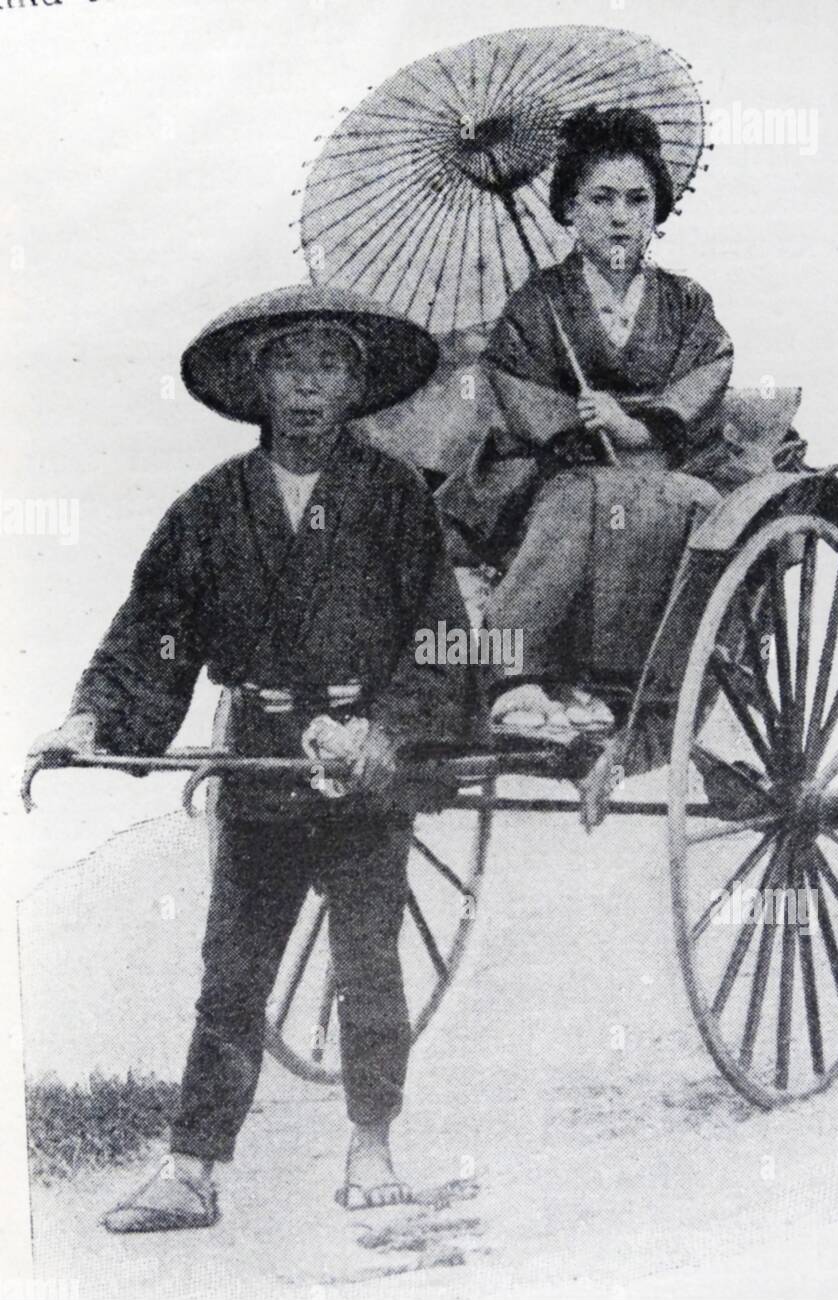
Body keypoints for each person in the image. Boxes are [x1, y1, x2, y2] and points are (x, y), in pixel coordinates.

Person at [26, 284, 481, 1229]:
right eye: (290, 365)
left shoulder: (395, 498)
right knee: (232, 970)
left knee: (369, 961)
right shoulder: (210, 509)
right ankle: (191, 1168)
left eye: (329, 366)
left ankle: (372, 1145)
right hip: (259, 766)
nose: (309, 387)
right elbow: (154, 636)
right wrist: (92, 722)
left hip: (361, 764)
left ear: (356, 383)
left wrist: (386, 733)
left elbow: (439, 637)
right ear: (257, 381)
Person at [437, 105, 734, 736]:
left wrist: (636, 423)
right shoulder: (538, 301)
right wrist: (575, 419)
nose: (621, 216)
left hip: (666, 463)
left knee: (689, 504)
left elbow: (708, 372)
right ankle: (514, 675)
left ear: (658, 209)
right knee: (581, 496)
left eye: (637, 198)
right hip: (555, 469)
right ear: (568, 208)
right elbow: (515, 389)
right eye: (600, 198)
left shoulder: (686, 303)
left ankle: (633, 691)